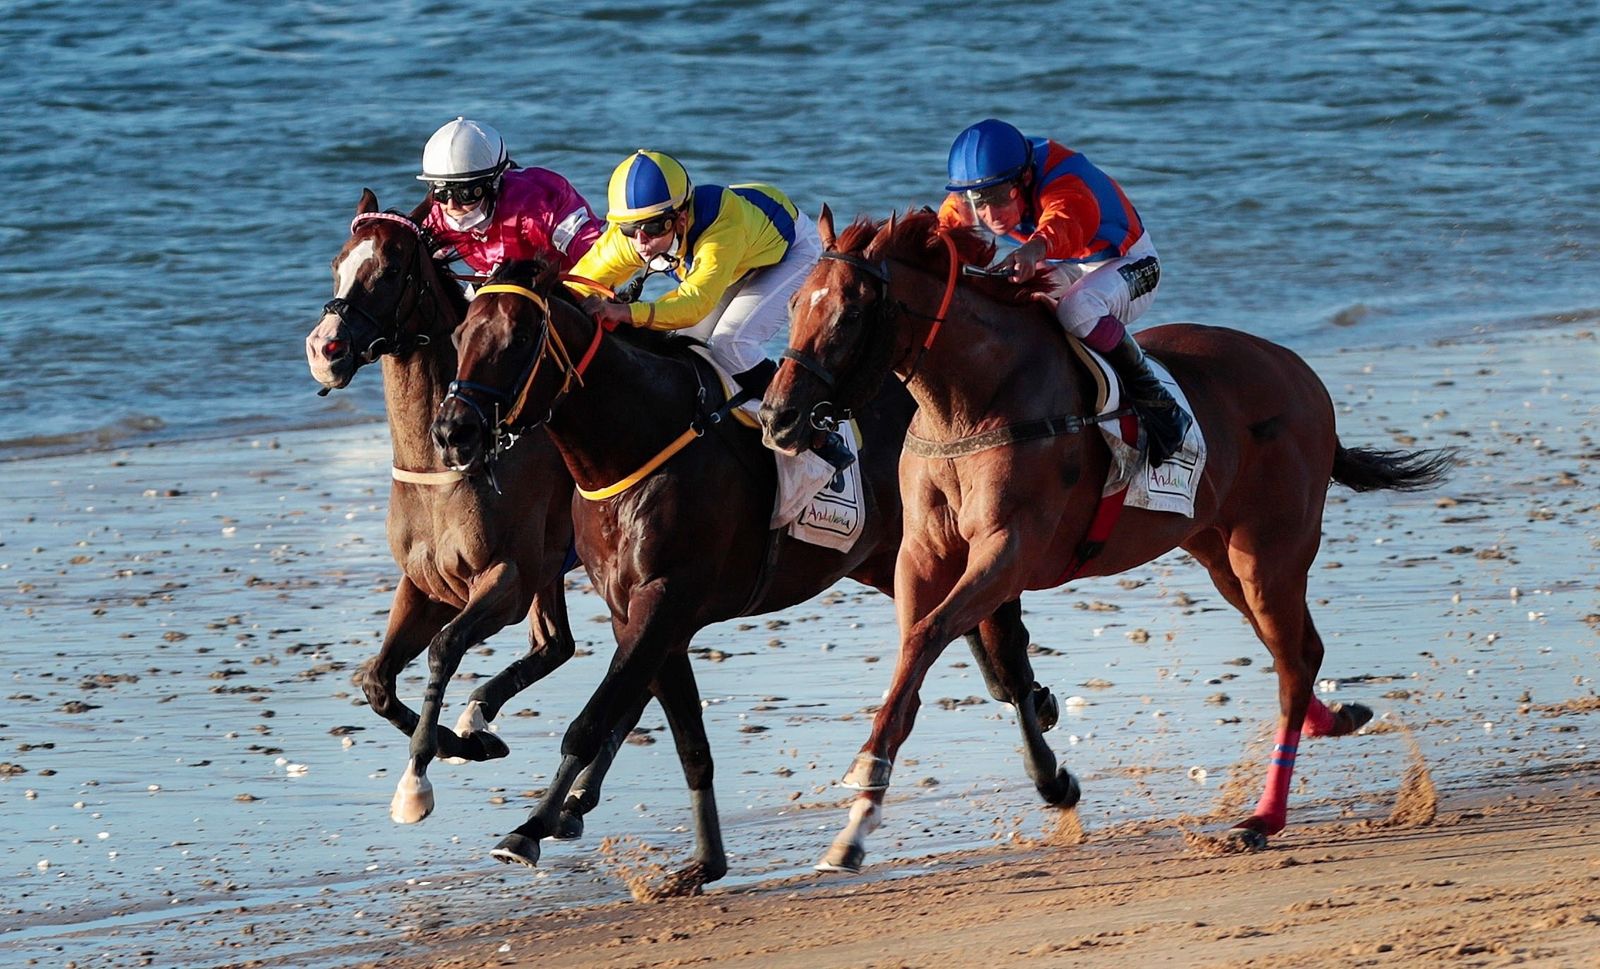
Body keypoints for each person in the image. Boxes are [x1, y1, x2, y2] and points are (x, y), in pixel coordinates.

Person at [570, 149, 852, 469]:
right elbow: (578, 283)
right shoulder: (633, 236)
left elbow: (695, 303)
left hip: (790, 255)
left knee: (730, 341)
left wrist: (625, 313)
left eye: (654, 227)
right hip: (733, 265)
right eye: (630, 230)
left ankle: (814, 427)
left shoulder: (721, 227)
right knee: (678, 344)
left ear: (681, 218)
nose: (642, 242)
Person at [938, 118, 1190, 469]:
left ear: (1024, 180)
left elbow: (1066, 222)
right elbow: (942, 240)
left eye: (1001, 199)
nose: (991, 216)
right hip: (1065, 261)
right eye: (980, 204)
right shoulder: (974, 191)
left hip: (1128, 261)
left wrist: (1033, 250)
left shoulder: (1067, 179)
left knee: (1078, 310)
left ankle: (1157, 401)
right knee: (1004, 300)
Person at [417, 117, 601, 276]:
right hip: (494, 283)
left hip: (567, 284)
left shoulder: (537, 206)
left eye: (465, 194)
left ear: (493, 184)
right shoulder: (437, 216)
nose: (451, 205)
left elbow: (598, 256)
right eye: (441, 193)